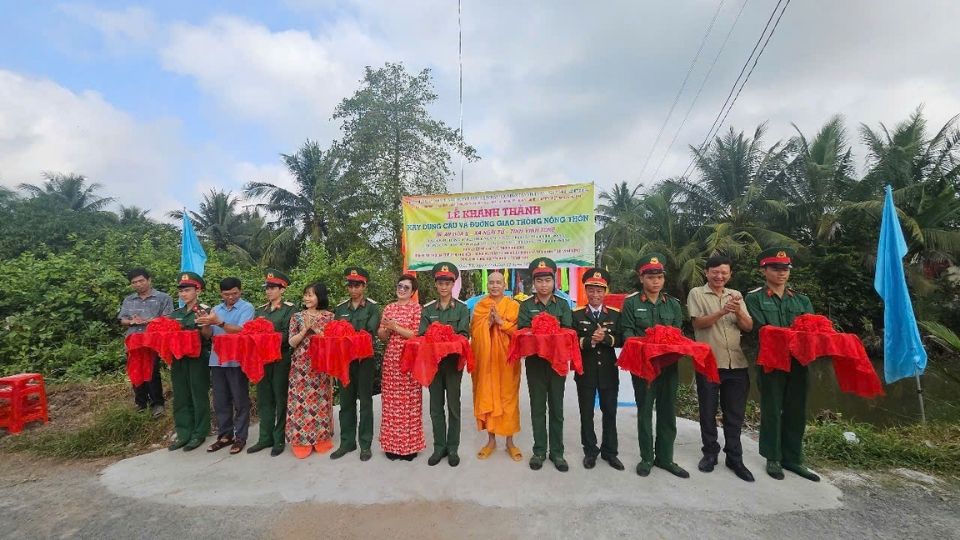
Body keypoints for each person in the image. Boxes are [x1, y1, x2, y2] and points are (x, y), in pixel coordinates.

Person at [744, 247, 820, 482]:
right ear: (764, 270)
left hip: (799, 361)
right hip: (771, 362)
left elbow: (810, 329)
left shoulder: (801, 299)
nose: (781, 273)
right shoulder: (754, 298)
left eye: (785, 269)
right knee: (772, 409)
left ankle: (793, 458)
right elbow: (761, 330)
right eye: (775, 268)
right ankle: (773, 457)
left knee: (797, 409)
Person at [620, 253, 689, 478]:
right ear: (641, 279)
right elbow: (627, 334)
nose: (655, 281)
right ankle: (647, 458)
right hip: (644, 367)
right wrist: (645, 347)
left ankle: (666, 458)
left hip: (668, 367)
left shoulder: (674, 305)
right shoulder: (631, 303)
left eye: (659, 277)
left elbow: (678, 334)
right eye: (650, 277)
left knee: (668, 412)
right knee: (645, 412)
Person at [687, 255, 755, 482]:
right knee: (707, 411)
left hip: (736, 363)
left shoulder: (736, 295)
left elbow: (748, 326)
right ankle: (710, 454)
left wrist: (737, 310)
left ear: (730, 275)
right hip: (709, 362)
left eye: (724, 273)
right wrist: (722, 311)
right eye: (715, 272)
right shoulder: (697, 293)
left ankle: (735, 458)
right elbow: (698, 324)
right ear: (707, 273)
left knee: (734, 414)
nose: (719, 276)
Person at [517, 257, 573, 472]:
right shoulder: (526, 306)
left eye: (547, 280)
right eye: (539, 281)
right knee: (538, 408)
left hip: (557, 363)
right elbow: (521, 332)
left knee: (557, 408)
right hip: (536, 363)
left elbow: (569, 332)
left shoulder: (562, 305)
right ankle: (539, 451)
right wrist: (538, 333)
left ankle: (557, 453)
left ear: (554, 281)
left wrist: (552, 332)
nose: (543, 285)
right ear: (533, 283)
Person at [419, 262, 471, 467]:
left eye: (447, 282)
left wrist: (447, 342)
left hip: (451, 365)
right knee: (435, 407)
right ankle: (439, 447)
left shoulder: (461, 308)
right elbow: (422, 336)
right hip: (433, 365)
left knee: (453, 406)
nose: (443, 286)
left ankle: (453, 448)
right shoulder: (428, 309)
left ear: (453, 284)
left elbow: (464, 336)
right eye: (440, 282)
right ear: (435, 284)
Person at [572, 268, 624, 471]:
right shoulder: (576, 314)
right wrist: (590, 341)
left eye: (599, 291)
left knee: (610, 412)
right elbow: (571, 340)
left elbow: (621, 339)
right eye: (591, 290)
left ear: (605, 292)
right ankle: (590, 451)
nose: (595, 295)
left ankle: (610, 452)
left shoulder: (614, 314)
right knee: (586, 413)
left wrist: (607, 339)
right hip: (586, 371)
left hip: (609, 372)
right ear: (586, 291)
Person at [198, 277, 254, 455]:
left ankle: (240, 437)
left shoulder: (247, 307)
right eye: (227, 294)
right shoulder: (215, 309)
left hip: (237, 360)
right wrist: (205, 323)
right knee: (220, 401)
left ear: (240, 291)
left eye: (235, 294)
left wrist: (219, 322)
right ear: (221, 294)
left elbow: (243, 330)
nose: (231, 297)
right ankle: (225, 435)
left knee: (240, 400)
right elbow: (208, 335)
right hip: (217, 360)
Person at [470, 271, 523, 462]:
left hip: (508, 360)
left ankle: (510, 442)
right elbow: (474, 333)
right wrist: (487, 324)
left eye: (498, 282)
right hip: (486, 361)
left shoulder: (513, 305)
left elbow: (520, 333)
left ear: (504, 284)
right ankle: (490, 440)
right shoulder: (480, 306)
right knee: (487, 396)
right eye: (491, 282)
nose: (494, 286)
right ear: (487, 285)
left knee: (508, 398)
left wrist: (501, 323)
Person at [331, 267, 382, 462]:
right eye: (350, 285)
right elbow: (335, 332)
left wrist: (349, 336)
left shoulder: (372, 307)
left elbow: (369, 332)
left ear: (364, 286)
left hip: (364, 360)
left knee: (365, 402)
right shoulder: (341, 308)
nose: (353, 289)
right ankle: (347, 442)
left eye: (357, 285)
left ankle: (365, 444)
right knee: (345, 401)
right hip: (345, 360)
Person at [248, 270, 297, 457]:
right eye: (267, 288)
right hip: (262, 360)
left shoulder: (290, 309)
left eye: (273, 288)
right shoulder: (261, 310)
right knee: (264, 398)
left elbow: (288, 334)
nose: (269, 291)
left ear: (282, 289)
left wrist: (268, 339)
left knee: (280, 398)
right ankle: (264, 437)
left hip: (280, 358)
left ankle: (279, 439)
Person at [377, 274, 425, 461]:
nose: (402, 289)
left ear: (412, 292)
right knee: (391, 404)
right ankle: (391, 446)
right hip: (391, 361)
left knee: (410, 404)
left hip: (410, 359)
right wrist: (386, 329)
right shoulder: (389, 308)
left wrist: (395, 327)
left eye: (406, 287)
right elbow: (382, 336)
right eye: (400, 286)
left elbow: (415, 335)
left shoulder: (416, 309)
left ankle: (410, 447)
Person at [286, 282, 336, 459]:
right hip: (301, 365)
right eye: (305, 294)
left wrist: (315, 329)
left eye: (310, 294)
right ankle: (301, 440)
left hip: (321, 365)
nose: (306, 298)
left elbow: (333, 341)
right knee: (300, 402)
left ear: (319, 297)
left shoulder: (329, 317)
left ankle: (321, 438)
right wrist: (305, 330)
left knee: (320, 400)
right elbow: (291, 342)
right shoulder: (297, 317)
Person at [118, 268, 174, 417]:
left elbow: (168, 318)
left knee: (152, 371)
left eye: (141, 280)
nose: (138, 284)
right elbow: (122, 319)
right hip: (133, 340)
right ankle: (141, 403)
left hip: (153, 341)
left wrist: (148, 320)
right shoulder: (129, 299)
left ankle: (157, 404)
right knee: (135, 370)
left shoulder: (163, 298)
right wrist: (131, 321)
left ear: (149, 280)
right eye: (134, 282)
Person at [167, 272, 213, 452]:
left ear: (197, 290)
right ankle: (184, 433)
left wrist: (204, 324)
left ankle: (199, 433)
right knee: (181, 395)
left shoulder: (205, 310)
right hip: (178, 359)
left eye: (187, 290)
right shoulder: (175, 313)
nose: (183, 294)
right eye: (181, 291)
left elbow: (208, 336)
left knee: (198, 394)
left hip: (197, 358)